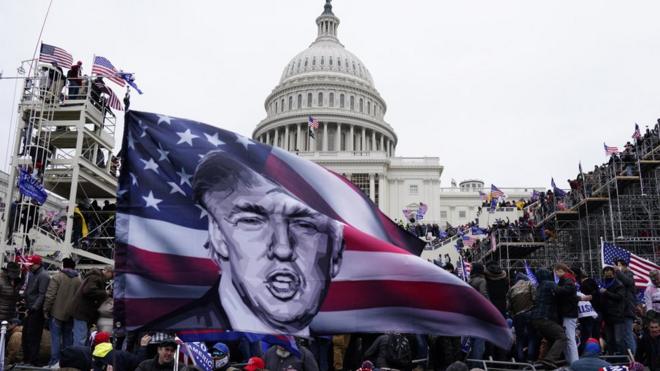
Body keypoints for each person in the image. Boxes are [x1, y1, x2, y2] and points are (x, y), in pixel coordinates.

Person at [145, 152, 344, 335]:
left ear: (336, 251)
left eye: (304, 225)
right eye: (252, 221)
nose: (282, 248)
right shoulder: (174, 335)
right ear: (218, 235)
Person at [43, 257, 82, 367]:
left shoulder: (57, 277)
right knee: (68, 339)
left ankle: (54, 362)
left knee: (55, 339)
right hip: (70, 314)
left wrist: (46, 310)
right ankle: (66, 363)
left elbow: (50, 295)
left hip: (56, 313)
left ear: (64, 265)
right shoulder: (78, 280)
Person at [530, 268, 567, 369]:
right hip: (545, 318)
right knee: (561, 336)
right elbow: (561, 292)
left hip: (536, 319)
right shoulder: (549, 283)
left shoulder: (539, 286)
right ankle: (550, 360)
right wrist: (568, 282)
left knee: (551, 339)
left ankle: (543, 360)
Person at [70, 266, 113, 346]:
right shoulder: (95, 278)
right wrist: (105, 293)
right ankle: (78, 357)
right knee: (81, 339)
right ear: (108, 272)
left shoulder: (94, 277)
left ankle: (83, 357)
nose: (111, 278)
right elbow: (88, 290)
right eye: (112, 275)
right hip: (82, 313)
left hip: (84, 313)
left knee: (84, 338)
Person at [22, 254, 50, 366]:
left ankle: (33, 359)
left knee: (33, 335)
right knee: (26, 335)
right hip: (30, 308)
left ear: (37, 264)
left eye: (31, 264)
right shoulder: (32, 273)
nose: (29, 266)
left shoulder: (44, 276)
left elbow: (42, 294)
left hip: (36, 311)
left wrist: (34, 308)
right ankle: (27, 358)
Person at [506, 273, 536, 362]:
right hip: (530, 313)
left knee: (519, 339)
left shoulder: (511, 289)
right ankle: (530, 359)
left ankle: (520, 360)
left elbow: (508, 307)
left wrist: (514, 315)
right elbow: (535, 298)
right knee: (532, 337)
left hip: (518, 316)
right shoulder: (530, 284)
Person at [554, 263, 579, 364]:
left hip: (569, 313)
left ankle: (574, 362)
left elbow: (568, 290)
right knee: (568, 338)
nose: (555, 273)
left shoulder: (567, 280)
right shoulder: (568, 279)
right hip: (568, 312)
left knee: (570, 338)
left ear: (560, 270)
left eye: (555, 271)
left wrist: (555, 288)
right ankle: (571, 361)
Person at [600, 266, 626, 354]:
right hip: (607, 316)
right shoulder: (602, 283)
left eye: (609, 271)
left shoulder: (618, 284)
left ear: (613, 273)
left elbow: (620, 297)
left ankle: (623, 358)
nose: (607, 273)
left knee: (619, 339)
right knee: (609, 339)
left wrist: (606, 292)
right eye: (606, 271)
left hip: (617, 315)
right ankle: (611, 358)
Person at [615, 258, 638, 354]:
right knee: (619, 337)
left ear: (624, 266)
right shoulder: (617, 277)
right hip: (619, 310)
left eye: (619, 265)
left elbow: (628, 282)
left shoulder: (629, 274)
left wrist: (618, 272)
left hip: (627, 309)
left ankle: (633, 358)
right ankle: (624, 356)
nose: (617, 268)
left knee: (628, 334)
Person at [468, 263, 488, 363]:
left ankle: (472, 365)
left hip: (470, 314)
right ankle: (477, 366)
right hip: (479, 314)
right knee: (479, 342)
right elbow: (484, 296)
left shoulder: (469, 281)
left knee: (473, 341)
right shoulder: (482, 281)